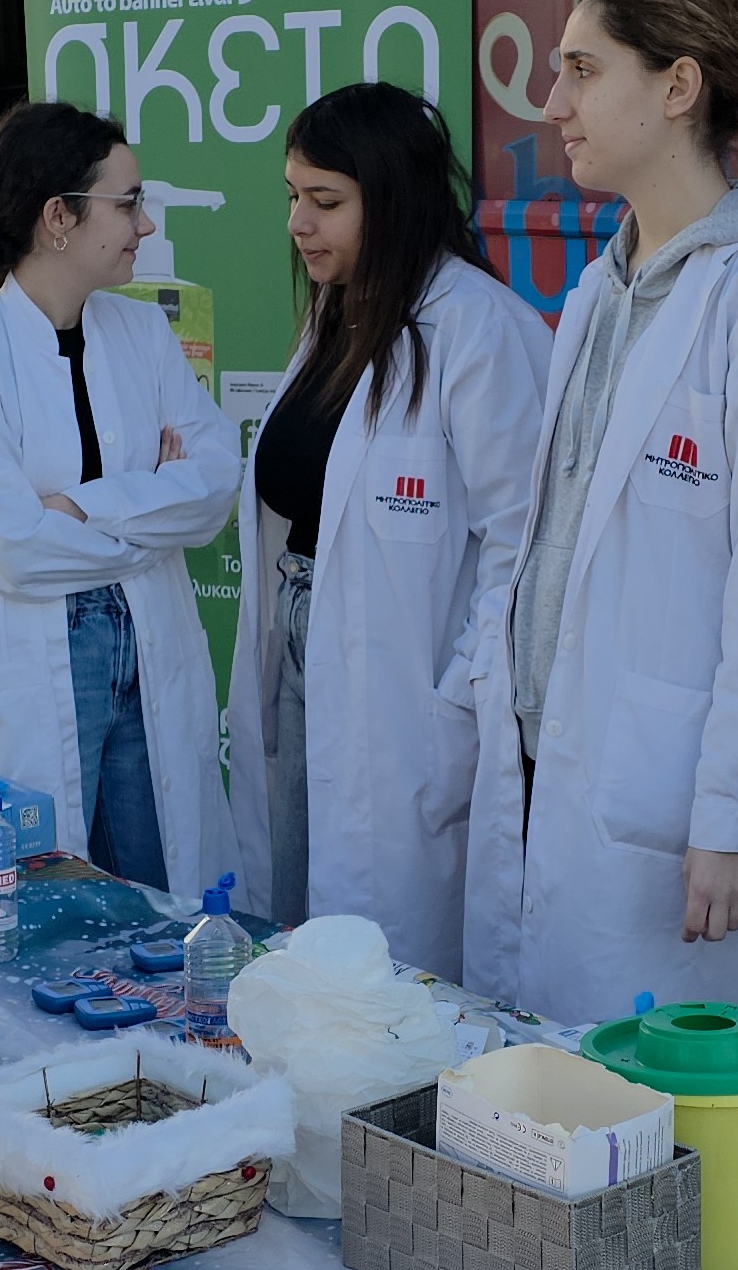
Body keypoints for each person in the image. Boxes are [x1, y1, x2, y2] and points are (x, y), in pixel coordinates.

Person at [464, 0, 738, 1027]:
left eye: (583, 71)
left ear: (678, 86)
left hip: (673, 801)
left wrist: (733, 813)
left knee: (667, 1098)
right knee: (555, 1087)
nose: (553, 104)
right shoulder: (601, 291)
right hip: (552, 765)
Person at [227, 83, 549, 970]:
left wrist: (460, 694)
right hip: (305, 657)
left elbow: (523, 543)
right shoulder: (338, 314)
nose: (298, 223)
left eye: (325, 201)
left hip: (407, 700)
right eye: (293, 196)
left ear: (394, 199)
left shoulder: (479, 330)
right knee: (300, 925)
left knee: (386, 966)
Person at [0, 101, 241, 898]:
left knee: (161, 895)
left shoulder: (143, 334)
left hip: (148, 636)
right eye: (127, 204)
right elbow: (15, 548)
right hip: (35, 658)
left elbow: (215, 486)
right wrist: (152, 513)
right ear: (57, 218)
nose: (146, 225)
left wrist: (83, 507)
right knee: (45, 902)